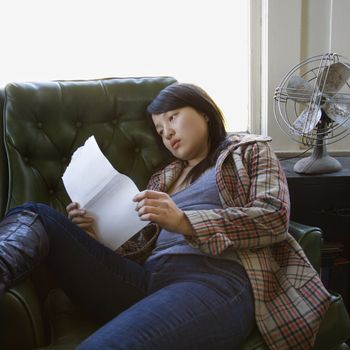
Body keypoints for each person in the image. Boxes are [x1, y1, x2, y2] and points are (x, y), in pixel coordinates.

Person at [0, 83, 331, 350]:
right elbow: (143, 249)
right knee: (38, 215)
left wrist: (186, 222)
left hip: (215, 281)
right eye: (159, 130)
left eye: (172, 118)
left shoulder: (248, 151)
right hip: (146, 280)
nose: (167, 133)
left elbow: (274, 216)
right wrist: (95, 235)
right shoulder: (164, 178)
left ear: (203, 112)